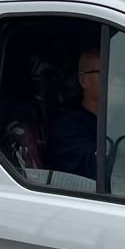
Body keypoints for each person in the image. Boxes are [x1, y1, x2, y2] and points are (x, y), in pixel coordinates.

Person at [47, 47, 100, 179]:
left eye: (118, 72)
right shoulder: (66, 126)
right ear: (84, 81)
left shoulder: (118, 118)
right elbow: (100, 169)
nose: (115, 79)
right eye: (107, 72)